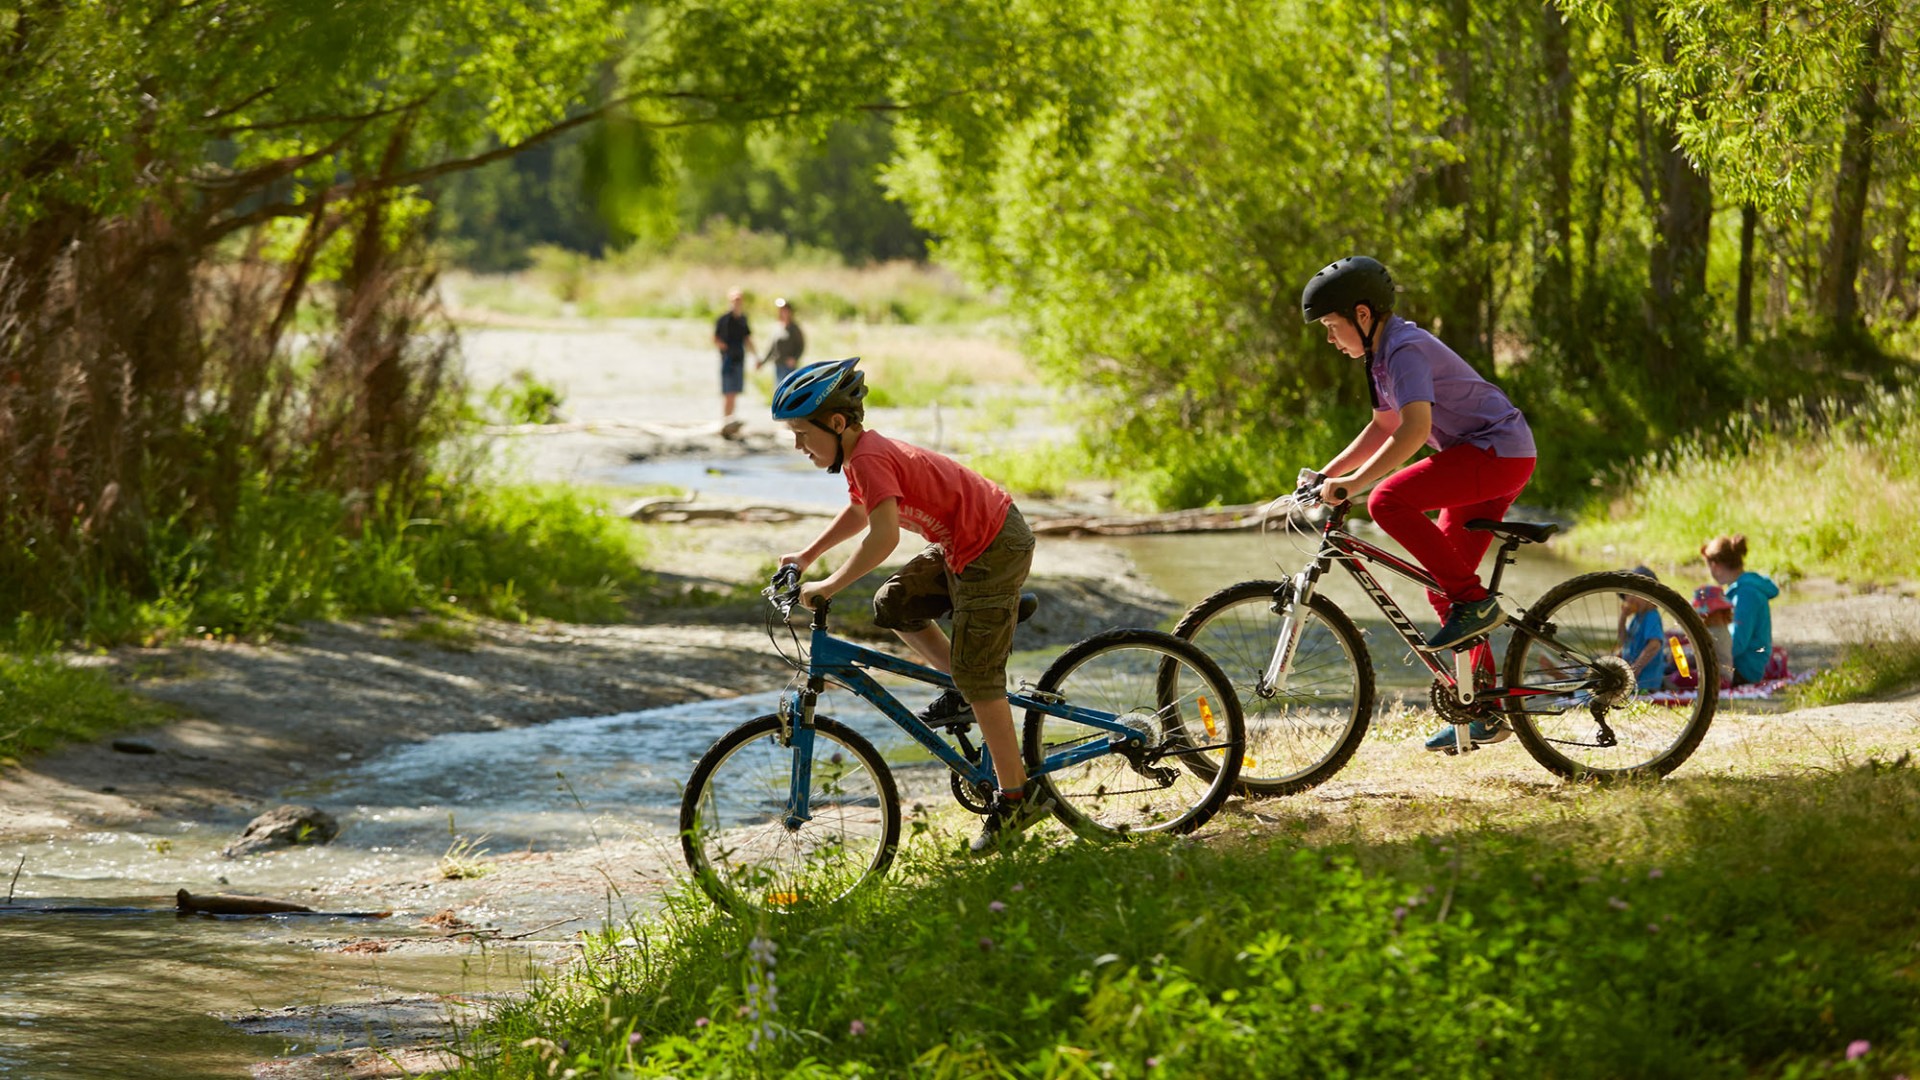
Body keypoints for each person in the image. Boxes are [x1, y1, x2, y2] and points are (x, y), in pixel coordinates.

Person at [771, 357, 1048, 854]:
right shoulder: (861, 458)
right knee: (895, 604)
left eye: (801, 434)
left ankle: (1018, 798)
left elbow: (883, 537)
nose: (799, 446)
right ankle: (962, 688)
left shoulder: (869, 457)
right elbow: (861, 511)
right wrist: (808, 555)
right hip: (962, 545)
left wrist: (828, 584)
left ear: (836, 423)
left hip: (993, 544)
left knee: (983, 680)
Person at [1294, 256, 1538, 753]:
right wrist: (1329, 474)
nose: (1329, 338)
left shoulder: (1403, 351)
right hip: (1491, 458)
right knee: (1440, 588)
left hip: (1495, 453)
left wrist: (1358, 484)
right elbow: (1383, 426)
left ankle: (1475, 603)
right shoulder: (1381, 356)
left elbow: (1414, 430)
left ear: (1362, 315)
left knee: (1387, 500)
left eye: (1331, 325)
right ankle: (1484, 708)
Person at [1702, 534, 1778, 686]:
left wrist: (1705, 653)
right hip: (1740, 663)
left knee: (1684, 673)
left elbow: (1737, 643)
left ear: (1715, 566)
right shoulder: (1741, 590)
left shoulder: (1746, 595)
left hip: (1745, 670)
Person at [1617, 565, 1669, 692]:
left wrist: (1636, 668)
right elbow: (1623, 640)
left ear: (1651, 597)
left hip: (1645, 681)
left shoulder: (1651, 616)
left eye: (1636, 594)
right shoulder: (1638, 617)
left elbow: (1654, 644)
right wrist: (1623, 617)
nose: (1630, 598)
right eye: (1628, 594)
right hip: (1634, 679)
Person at [712, 288, 755, 420]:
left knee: (735, 391)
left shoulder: (743, 319)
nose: (737, 303)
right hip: (728, 359)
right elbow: (715, 338)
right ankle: (726, 418)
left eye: (739, 300)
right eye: (734, 300)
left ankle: (731, 417)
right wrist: (725, 348)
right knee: (728, 391)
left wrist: (755, 355)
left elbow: (747, 339)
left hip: (740, 358)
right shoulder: (724, 319)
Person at [1692, 584, 1735, 689]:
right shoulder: (1721, 630)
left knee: (1685, 677)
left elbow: (1698, 652)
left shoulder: (1715, 633)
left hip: (1719, 678)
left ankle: (1665, 683)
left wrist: (1683, 654)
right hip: (1720, 676)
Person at [757, 297, 806, 387]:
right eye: (780, 310)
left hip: (789, 368)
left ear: (789, 311)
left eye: (784, 309)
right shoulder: (777, 327)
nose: (782, 312)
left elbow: (801, 346)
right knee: (778, 391)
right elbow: (772, 348)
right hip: (778, 365)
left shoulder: (794, 328)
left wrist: (795, 358)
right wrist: (762, 362)